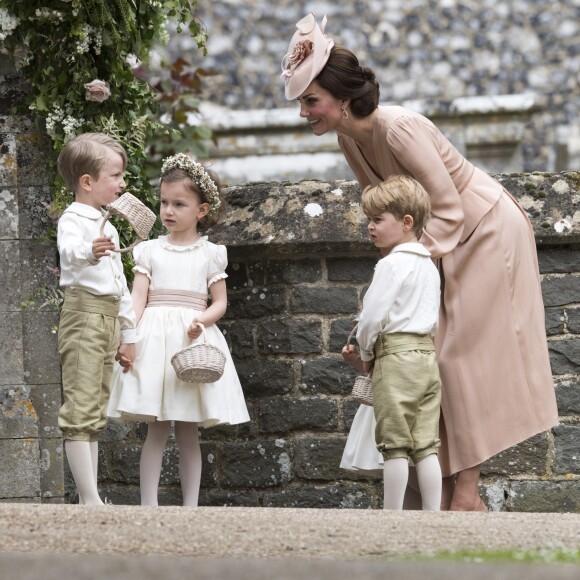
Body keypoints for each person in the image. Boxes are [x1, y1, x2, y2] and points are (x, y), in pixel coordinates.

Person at [281, 13, 559, 511]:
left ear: (343, 99)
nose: (305, 112)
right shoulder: (349, 138)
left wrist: (409, 262)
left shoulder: (400, 129)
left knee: (456, 359)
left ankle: (466, 493)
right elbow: (384, 207)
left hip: (486, 231)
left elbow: (449, 208)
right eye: (303, 101)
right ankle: (438, 489)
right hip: (438, 243)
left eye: (311, 100)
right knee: (428, 353)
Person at [107, 153, 250, 507]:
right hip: (155, 340)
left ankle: (190, 506)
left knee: (188, 429)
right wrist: (130, 336)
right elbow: (138, 299)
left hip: (190, 338)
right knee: (156, 426)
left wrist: (203, 319)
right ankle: (148, 504)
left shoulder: (211, 254)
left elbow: (219, 302)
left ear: (201, 211)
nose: (168, 211)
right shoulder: (150, 250)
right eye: (164, 202)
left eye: (179, 204)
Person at [340, 176, 442, 510]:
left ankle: (393, 516)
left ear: (406, 222)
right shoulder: (429, 266)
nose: (370, 226)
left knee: (395, 444)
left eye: (377, 220)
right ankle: (433, 516)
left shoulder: (391, 264)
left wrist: (366, 354)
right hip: (427, 357)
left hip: (395, 358)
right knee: (426, 444)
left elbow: (371, 319)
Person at [56, 132, 137, 505]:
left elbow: (120, 286)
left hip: (105, 319)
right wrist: (89, 251)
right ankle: (89, 499)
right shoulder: (73, 218)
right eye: (116, 176)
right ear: (87, 182)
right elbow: (69, 251)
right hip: (84, 316)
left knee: (96, 405)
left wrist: (128, 333)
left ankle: (93, 497)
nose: (123, 183)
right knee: (81, 404)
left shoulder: (110, 225)